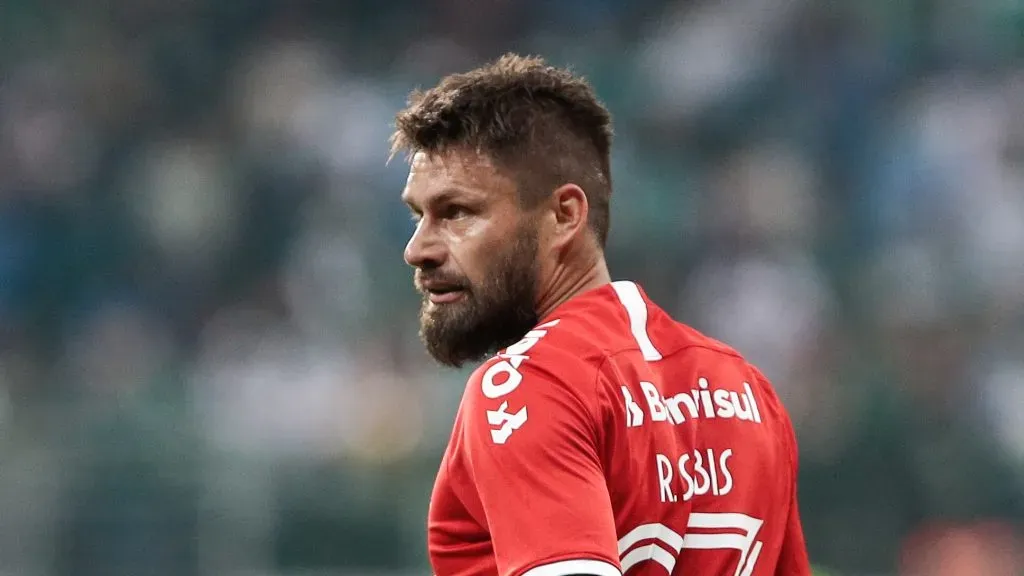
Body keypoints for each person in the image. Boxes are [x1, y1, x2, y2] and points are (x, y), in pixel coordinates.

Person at [391, 53, 812, 576]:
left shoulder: (527, 385)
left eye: (456, 212)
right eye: (419, 215)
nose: (417, 249)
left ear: (565, 215)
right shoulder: (746, 391)